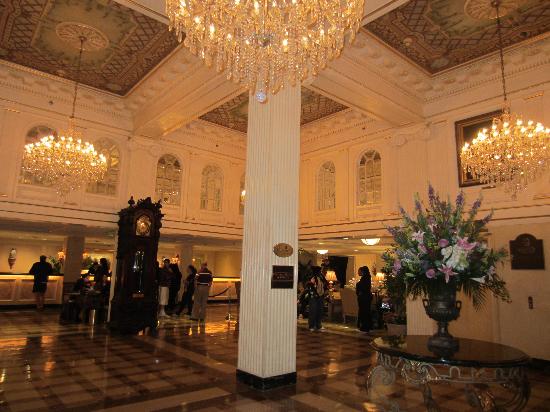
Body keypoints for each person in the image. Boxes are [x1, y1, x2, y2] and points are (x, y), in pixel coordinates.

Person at [306, 266, 328, 331]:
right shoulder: (311, 277)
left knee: (320, 310)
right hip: (313, 296)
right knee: (313, 311)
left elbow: (325, 284)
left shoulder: (321, 277)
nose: (319, 272)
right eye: (318, 270)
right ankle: (311, 326)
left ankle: (319, 325)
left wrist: (325, 292)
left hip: (320, 296)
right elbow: (309, 286)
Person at [356, 266, 373, 333]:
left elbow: (363, 288)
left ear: (363, 271)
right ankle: (368, 326)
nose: (358, 272)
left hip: (364, 298)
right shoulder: (366, 278)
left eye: (359, 271)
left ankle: (365, 327)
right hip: (366, 297)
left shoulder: (365, 278)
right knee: (366, 312)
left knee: (364, 312)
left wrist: (358, 287)